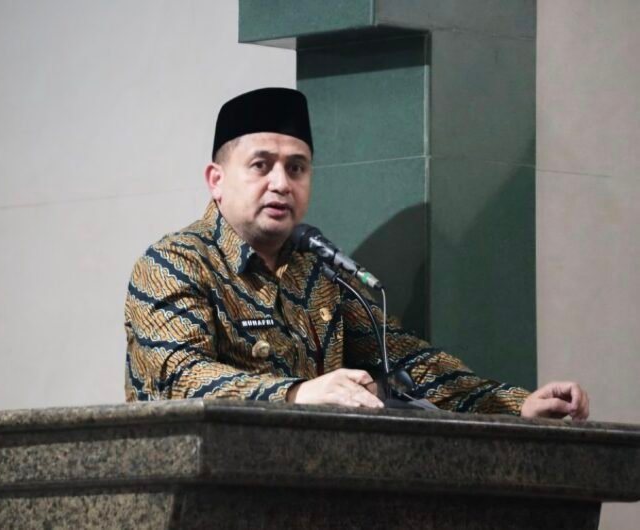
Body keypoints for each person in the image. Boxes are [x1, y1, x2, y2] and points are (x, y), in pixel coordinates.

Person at [124, 87, 589, 419]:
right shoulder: (174, 263)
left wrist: (514, 405)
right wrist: (297, 394)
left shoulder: (317, 271)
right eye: (261, 165)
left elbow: (404, 362)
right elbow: (180, 378)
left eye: (297, 168)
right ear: (216, 180)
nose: (281, 183)